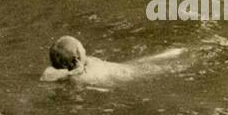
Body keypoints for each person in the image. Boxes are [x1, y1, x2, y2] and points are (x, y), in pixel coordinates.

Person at [40, 36, 183, 86]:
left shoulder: (73, 71)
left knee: (143, 61)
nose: (85, 49)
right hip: (126, 73)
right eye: (82, 47)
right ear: (77, 57)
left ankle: (166, 55)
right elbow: (46, 76)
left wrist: (70, 73)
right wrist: (74, 73)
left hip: (123, 68)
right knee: (157, 67)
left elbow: (47, 75)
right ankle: (169, 55)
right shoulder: (82, 76)